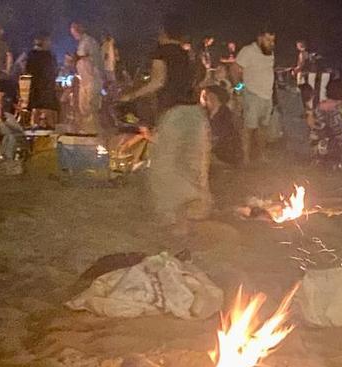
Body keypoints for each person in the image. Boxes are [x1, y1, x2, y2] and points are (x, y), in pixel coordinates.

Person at [120, 18, 211, 226]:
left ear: (163, 33)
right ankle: (196, 208)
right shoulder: (189, 54)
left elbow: (158, 81)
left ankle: (170, 214)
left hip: (175, 113)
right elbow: (203, 79)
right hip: (196, 113)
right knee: (192, 162)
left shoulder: (161, 53)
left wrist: (130, 96)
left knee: (164, 163)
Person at [235, 28, 276, 164]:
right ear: (260, 38)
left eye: (272, 40)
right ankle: (245, 158)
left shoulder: (270, 53)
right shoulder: (248, 51)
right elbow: (234, 69)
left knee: (263, 128)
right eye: (268, 39)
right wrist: (239, 88)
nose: (271, 43)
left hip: (267, 95)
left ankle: (262, 155)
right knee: (249, 128)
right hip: (252, 95)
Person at [70, 22, 103, 134]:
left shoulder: (88, 41)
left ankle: (93, 132)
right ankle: (87, 130)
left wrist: (74, 58)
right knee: (83, 107)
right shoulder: (82, 42)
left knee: (91, 106)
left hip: (92, 79)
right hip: (85, 80)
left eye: (73, 31)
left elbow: (83, 55)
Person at [25, 34, 60, 128]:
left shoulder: (32, 55)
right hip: (46, 85)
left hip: (37, 84)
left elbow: (28, 69)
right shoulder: (48, 56)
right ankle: (49, 127)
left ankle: (34, 127)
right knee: (47, 107)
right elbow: (55, 70)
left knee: (37, 108)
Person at [202, 84, 241, 165]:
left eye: (206, 96)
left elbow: (220, 135)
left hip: (224, 151)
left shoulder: (225, 114)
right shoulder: (207, 114)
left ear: (213, 98)